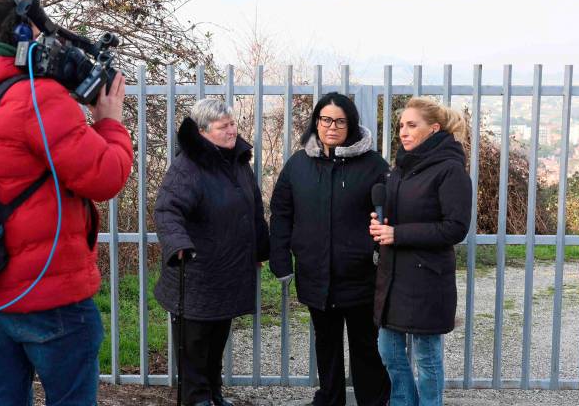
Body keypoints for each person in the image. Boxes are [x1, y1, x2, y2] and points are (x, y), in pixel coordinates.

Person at [0, 0, 133, 405]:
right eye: (40, 35)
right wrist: (109, 123)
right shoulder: (34, 97)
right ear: (21, 35)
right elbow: (105, 176)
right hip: (50, 294)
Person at [269, 92, 391, 406]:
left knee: (366, 345)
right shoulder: (298, 165)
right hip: (315, 274)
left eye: (339, 121)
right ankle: (330, 398)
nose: (331, 127)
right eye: (325, 119)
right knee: (326, 343)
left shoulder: (373, 165)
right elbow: (282, 212)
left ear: (350, 124)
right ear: (316, 122)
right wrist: (281, 260)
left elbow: (390, 213)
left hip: (361, 275)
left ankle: (373, 401)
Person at [154, 98, 270, 406]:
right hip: (196, 274)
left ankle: (213, 396)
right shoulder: (188, 166)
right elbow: (167, 210)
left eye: (233, 124)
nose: (232, 131)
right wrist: (178, 244)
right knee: (194, 348)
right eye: (224, 127)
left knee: (216, 343)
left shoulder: (238, 162)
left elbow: (253, 208)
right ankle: (197, 400)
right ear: (203, 131)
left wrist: (260, 247)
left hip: (227, 272)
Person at [369, 97, 472, 406]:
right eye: (401, 125)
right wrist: (381, 223)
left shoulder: (450, 171)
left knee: (427, 358)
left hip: (427, 278)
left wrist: (397, 233)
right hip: (393, 277)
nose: (403, 132)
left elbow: (454, 227)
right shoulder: (401, 168)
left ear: (434, 129)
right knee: (388, 350)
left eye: (412, 125)